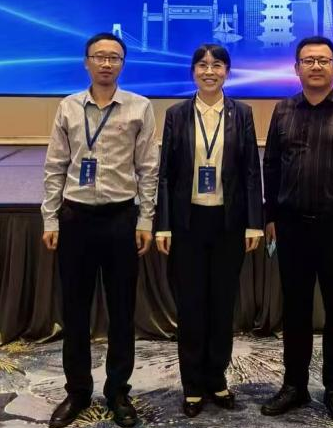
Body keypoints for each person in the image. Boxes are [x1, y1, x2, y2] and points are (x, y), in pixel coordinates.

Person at [41, 32, 159, 428]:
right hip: (76, 219)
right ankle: (77, 392)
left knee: (122, 312)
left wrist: (145, 220)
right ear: (86, 62)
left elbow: (148, 169)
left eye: (114, 57)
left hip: (121, 219)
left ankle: (118, 391)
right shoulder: (68, 107)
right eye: (99, 56)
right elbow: (55, 166)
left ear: (122, 64)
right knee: (75, 311)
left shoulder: (140, 107)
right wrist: (50, 218)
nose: (107, 63)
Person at [260, 36, 333, 426]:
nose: (316, 66)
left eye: (323, 60)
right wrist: (270, 217)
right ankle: (294, 385)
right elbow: (271, 167)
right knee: (294, 310)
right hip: (292, 227)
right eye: (308, 60)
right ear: (296, 68)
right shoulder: (282, 110)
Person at [155, 44, 263, 417]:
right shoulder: (176, 114)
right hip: (187, 224)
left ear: (227, 72)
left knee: (221, 303)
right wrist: (163, 225)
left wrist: (254, 222)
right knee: (191, 305)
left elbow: (250, 171)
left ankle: (216, 378)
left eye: (217, 65)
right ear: (193, 72)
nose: (209, 71)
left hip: (228, 223)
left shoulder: (242, 113)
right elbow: (165, 174)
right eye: (202, 65)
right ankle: (192, 385)